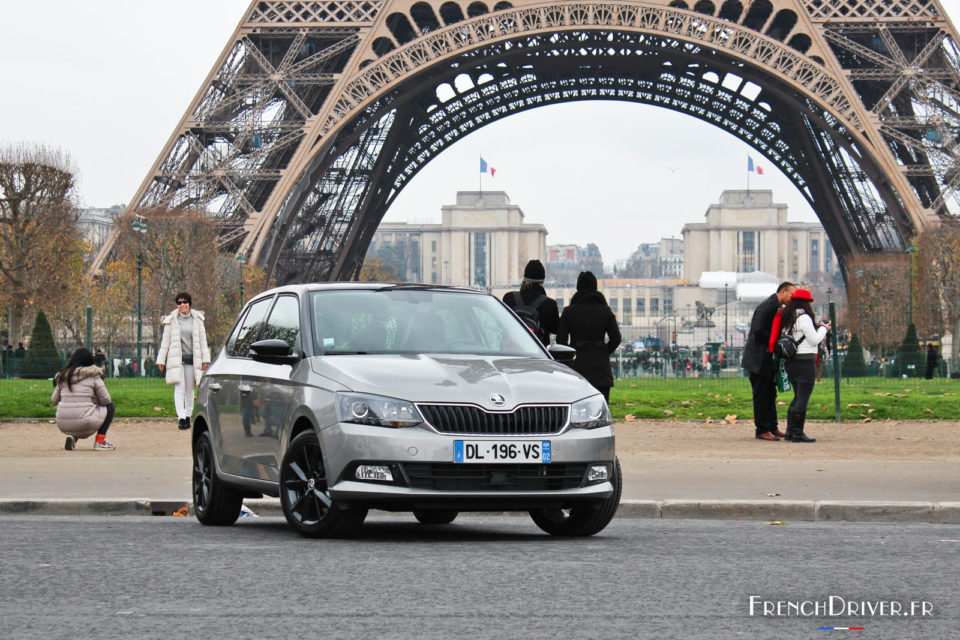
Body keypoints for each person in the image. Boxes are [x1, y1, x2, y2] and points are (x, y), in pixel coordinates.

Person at [741, 281, 796, 441]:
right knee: (761, 395)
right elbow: (758, 331)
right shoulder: (767, 307)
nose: (792, 298)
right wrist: (778, 342)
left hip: (765, 358)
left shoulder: (774, 306)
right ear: (783, 291)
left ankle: (772, 427)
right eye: (792, 294)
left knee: (770, 394)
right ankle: (762, 429)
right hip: (758, 358)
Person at [556, 271, 622, 402]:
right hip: (600, 368)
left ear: (578, 288)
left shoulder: (569, 312)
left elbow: (561, 342)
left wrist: (571, 354)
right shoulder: (605, 311)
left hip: (577, 367)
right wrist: (603, 351)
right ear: (595, 287)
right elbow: (616, 338)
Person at [779, 288, 830, 443]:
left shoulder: (789, 317)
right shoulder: (804, 317)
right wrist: (824, 329)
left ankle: (790, 431)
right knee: (802, 399)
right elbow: (814, 340)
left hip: (791, 362)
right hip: (805, 361)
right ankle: (797, 432)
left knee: (797, 397)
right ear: (806, 303)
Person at [156, 292, 211, 430]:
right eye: (179, 303)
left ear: (190, 304)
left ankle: (188, 415)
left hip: (193, 359)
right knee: (179, 389)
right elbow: (165, 342)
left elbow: (203, 341)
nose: (182, 305)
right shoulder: (171, 320)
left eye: (185, 302)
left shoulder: (197, 319)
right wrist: (161, 360)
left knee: (190, 390)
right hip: (177, 359)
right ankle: (181, 418)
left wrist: (205, 359)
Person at [51, 348, 116, 451]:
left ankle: (72, 437)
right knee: (110, 407)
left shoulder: (63, 376)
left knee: (76, 412)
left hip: (63, 422)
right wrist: (95, 400)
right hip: (85, 420)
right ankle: (100, 441)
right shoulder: (93, 375)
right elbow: (106, 400)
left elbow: (54, 400)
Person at [503, 259, 559, 346]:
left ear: (524, 279)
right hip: (538, 354)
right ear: (542, 281)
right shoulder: (550, 304)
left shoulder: (509, 298)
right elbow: (555, 329)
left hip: (512, 351)